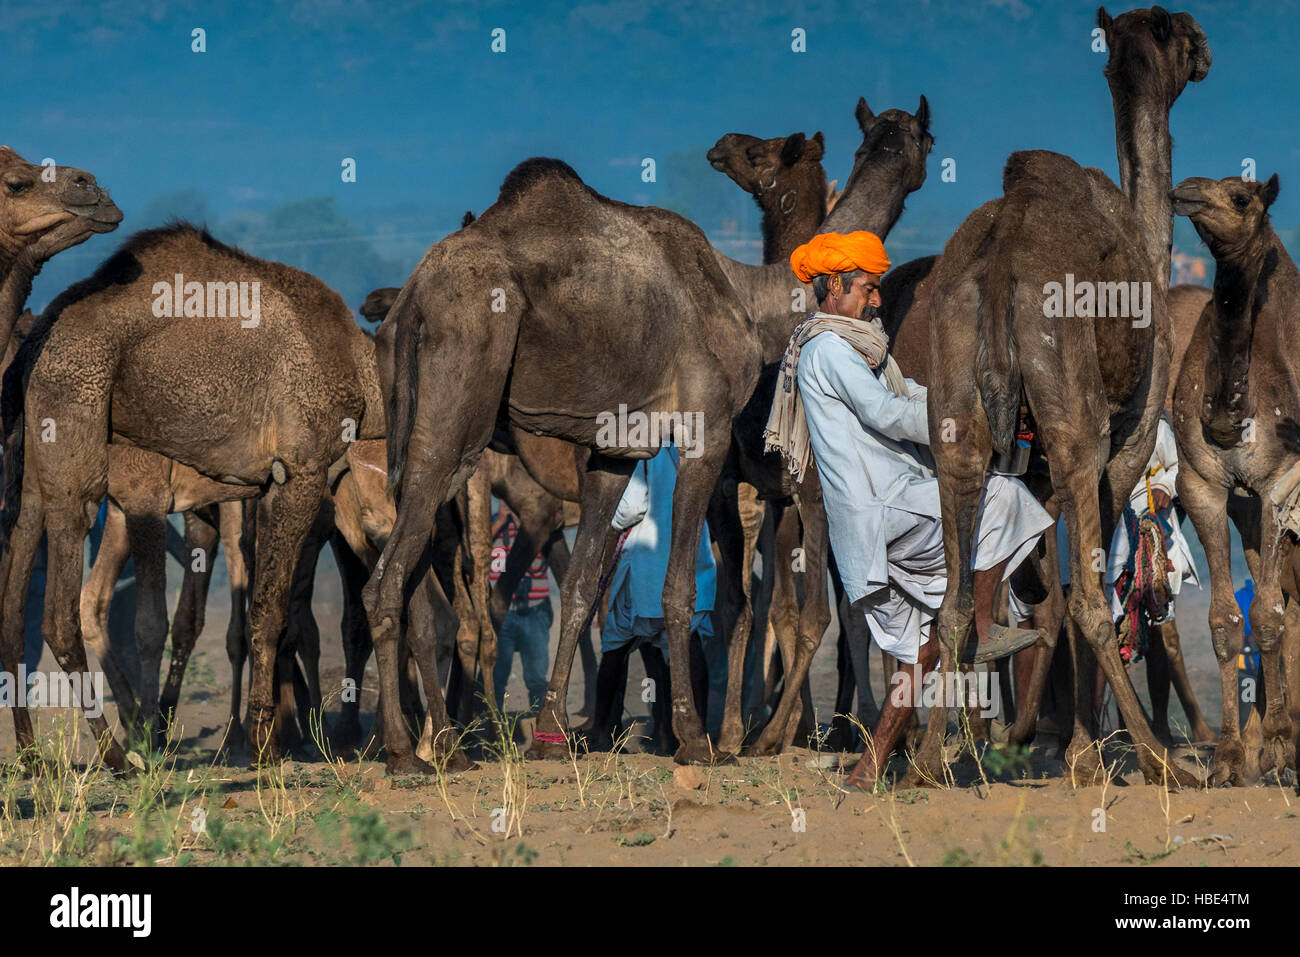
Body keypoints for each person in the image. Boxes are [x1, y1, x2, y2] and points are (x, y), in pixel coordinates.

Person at [765, 230, 1053, 788]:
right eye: (868, 289)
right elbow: (886, 412)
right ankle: (984, 625)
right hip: (885, 508)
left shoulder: (849, 347)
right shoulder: (827, 349)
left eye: (876, 290)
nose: (877, 300)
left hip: (876, 519)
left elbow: (907, 395)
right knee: (1005, 496)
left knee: (921, 651)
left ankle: (868, 767)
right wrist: (967, 424)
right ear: (834, 287)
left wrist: (961, 400)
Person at [590, 442, 713, 754]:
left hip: (646, 563)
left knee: (616, 645)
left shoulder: (643, 452)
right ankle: (696, 734)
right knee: (688, 642)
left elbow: (630, 508)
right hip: (690, 562)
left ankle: (603, 732)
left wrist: (608, 517)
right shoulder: (690, 448)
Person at [489, 502, 553, 714]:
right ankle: (493, 722)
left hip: (534, 609)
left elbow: (546, 549)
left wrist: (521, 521)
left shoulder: (536, 526)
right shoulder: (491, 524)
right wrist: (499, 520)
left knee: (536, 676)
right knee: (495, 675)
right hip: (501, 613)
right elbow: (477, 547)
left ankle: (538, 718)